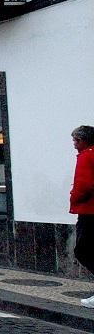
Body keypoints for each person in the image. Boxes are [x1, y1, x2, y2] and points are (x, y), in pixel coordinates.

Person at [70, 126, 94, 307]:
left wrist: (73, 197)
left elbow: (84, 184)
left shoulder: (86, 156)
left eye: (76, 140)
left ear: (84, 140)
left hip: (89, 211)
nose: (74, 144)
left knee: (83, 250)